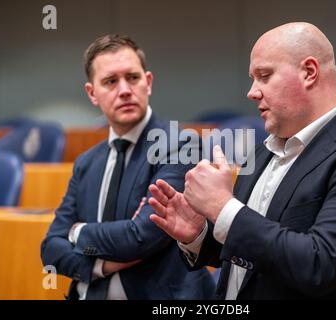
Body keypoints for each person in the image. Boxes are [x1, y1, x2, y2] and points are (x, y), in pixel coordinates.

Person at [148, 22, 336, 299]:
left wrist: (223, 208)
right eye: (253, 78)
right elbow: (253, 250)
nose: (252, 91)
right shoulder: (266, 150)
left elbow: (319, 266)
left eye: (264, 76)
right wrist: (199, 234)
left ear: (309, 72)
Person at [41, 34, 215, 300]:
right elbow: (51, 248)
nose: (124, 89)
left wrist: (77, 231)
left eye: (132, 78)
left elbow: (141, 237)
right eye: (110, 81)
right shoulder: (86, 162)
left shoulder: (180, 145)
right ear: (92, 93)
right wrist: (98, 267)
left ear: (148, 82)